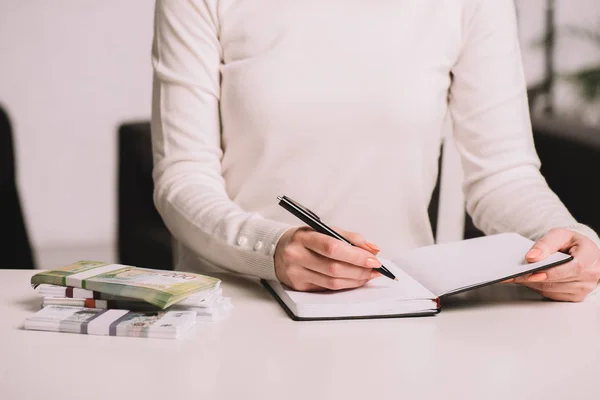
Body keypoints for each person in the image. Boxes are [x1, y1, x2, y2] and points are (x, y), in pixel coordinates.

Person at [150, 0, 600, 302]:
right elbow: (182, 176)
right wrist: (269, 247)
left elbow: (503, 175)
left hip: (399, 304)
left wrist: (562, 236)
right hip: (235, 304)